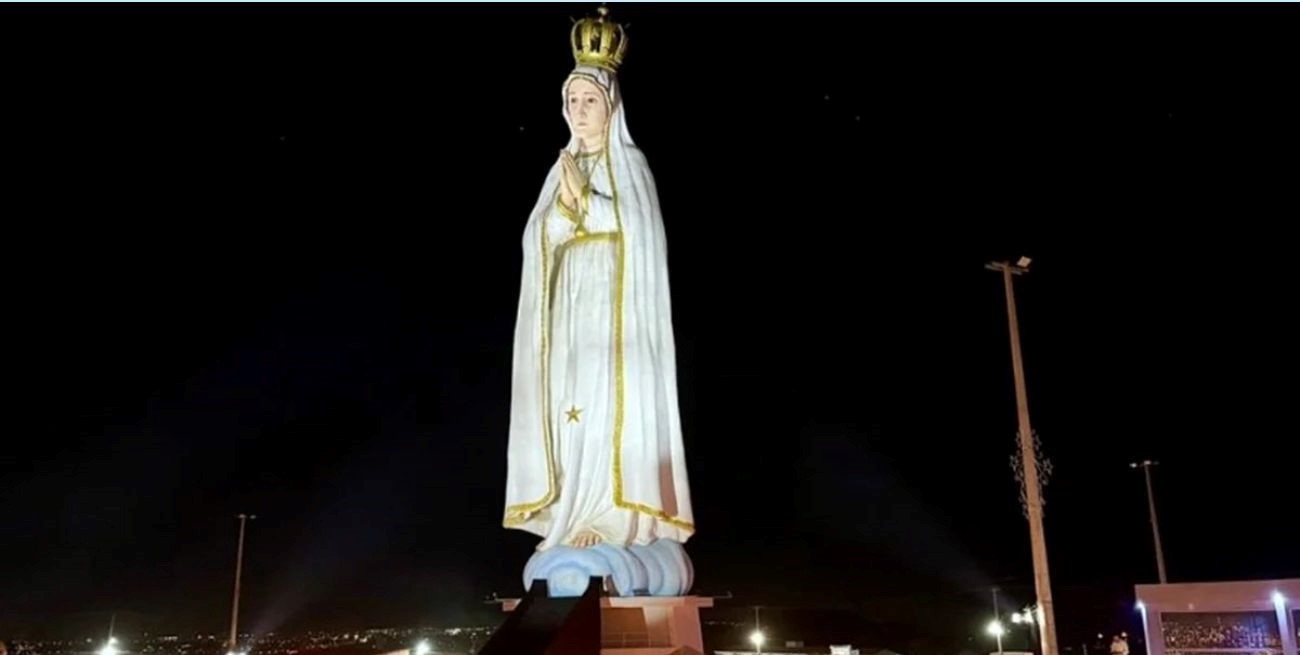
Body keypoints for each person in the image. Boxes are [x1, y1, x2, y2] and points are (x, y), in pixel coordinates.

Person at [503, 8, 695, 552]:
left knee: (609, 405)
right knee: (571, 405)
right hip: (570, 313)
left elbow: (641, 235)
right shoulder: (559, 167)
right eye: (573, 101)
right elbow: (536, 239)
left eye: (590, 100)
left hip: (616, 315)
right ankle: (570, 508)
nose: (580, 110)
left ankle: (613, 517)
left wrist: (586, 202)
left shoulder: (630, 163)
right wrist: (563, 211)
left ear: (611, 105)